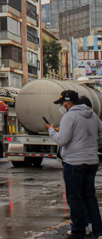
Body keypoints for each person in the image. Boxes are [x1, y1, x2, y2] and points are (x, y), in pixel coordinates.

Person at [49, 90, 102, 237]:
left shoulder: (69, 116)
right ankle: (98, 231)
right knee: (89, 197)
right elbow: (100, 136)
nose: (62, 106)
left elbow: (62, 140)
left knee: (75, 198)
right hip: (91, 162)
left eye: (63, 103)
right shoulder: (93, 116)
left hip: (74, 163)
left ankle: (78, 231)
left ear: (69, 102)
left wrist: (51, 131)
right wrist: (90, 145)